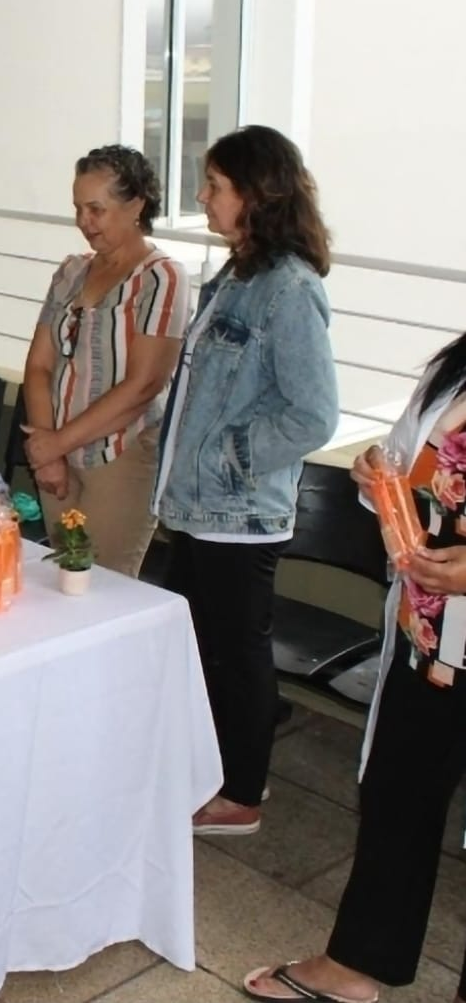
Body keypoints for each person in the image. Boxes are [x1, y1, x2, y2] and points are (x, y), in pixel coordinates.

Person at [241, 334, 466, 1003]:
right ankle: (358, 959)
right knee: (399, 791)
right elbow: (403, 462)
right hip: (427, 633)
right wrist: (380, 475)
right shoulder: (454, 370)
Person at [152, 124, 338, 836]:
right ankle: (207, 773)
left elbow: (312, 414)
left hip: (237, 513)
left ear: (255, 195)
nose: (200, 195)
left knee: (236, 655)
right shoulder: (238, 273)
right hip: (199, 509)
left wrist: (225, 453)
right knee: (201, 647)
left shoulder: (287, 289)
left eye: (214, 185)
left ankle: (241, 793)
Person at [20, 145, 190, 578]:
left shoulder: (161, 277)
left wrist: (56, 444)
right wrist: (48, 450)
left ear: (135, 205)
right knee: (63, 577)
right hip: (55, 449)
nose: (84, 222)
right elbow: (39, 365)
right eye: (78, 208)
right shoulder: (71, 272)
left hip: (121, 455)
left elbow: (144, 386)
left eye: (96, 209)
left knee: (105, 585)